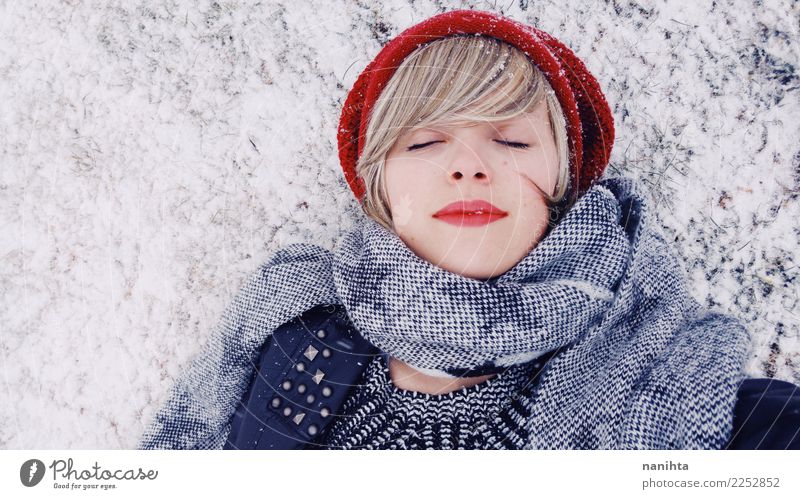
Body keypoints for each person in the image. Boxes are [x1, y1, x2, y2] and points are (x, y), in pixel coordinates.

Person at [138, 10, 800, 450]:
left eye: (511, 140)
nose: (469, 166)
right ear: (381, 191)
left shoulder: (715, 413)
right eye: (424, 143)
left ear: (564, 186)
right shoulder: (287, 333)